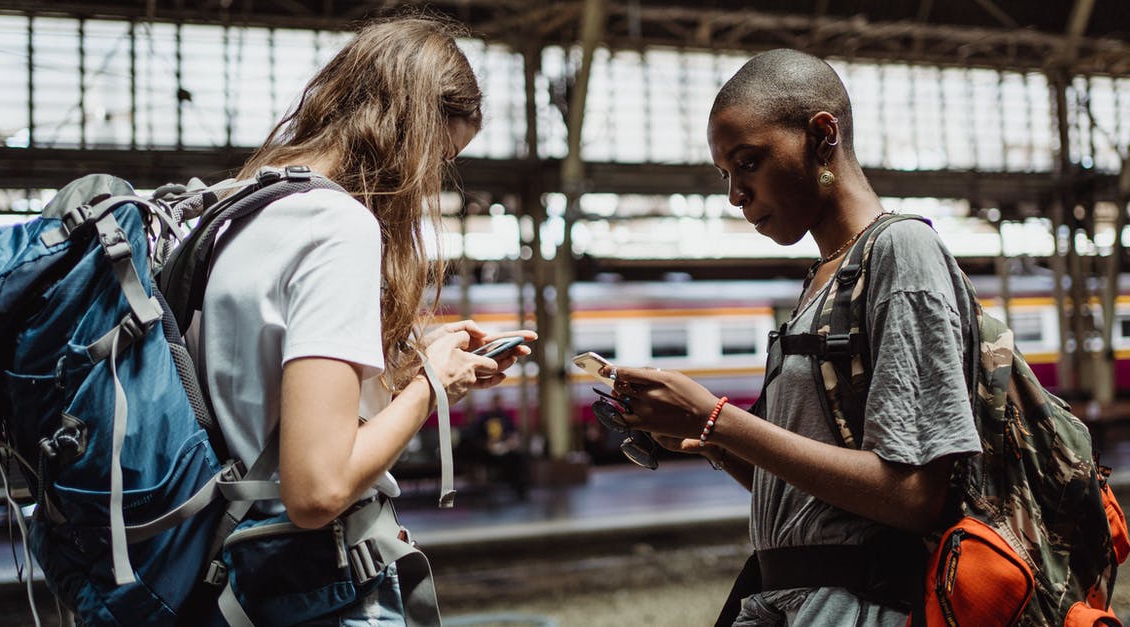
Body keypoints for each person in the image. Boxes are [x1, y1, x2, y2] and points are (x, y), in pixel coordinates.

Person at [601, 49, 981, 626]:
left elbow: (912, 496)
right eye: (725, 174)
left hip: (856, 605)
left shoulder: (902, 252)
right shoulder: (822, 282)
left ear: (821, 136)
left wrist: (717, 419)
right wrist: (715, 443)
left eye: (748, 162)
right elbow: (813, 498)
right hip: (789, 600)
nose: (735, 194)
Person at [198, 17, 534, 624]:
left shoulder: (238, 204)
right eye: (439, 156)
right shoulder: (338, 226)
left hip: (230, 574)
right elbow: (316, 489)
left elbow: (260, 389)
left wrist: (403, 360)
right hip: (310, 583)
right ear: (406, 129)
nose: (432, 180)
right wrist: (434, 385)